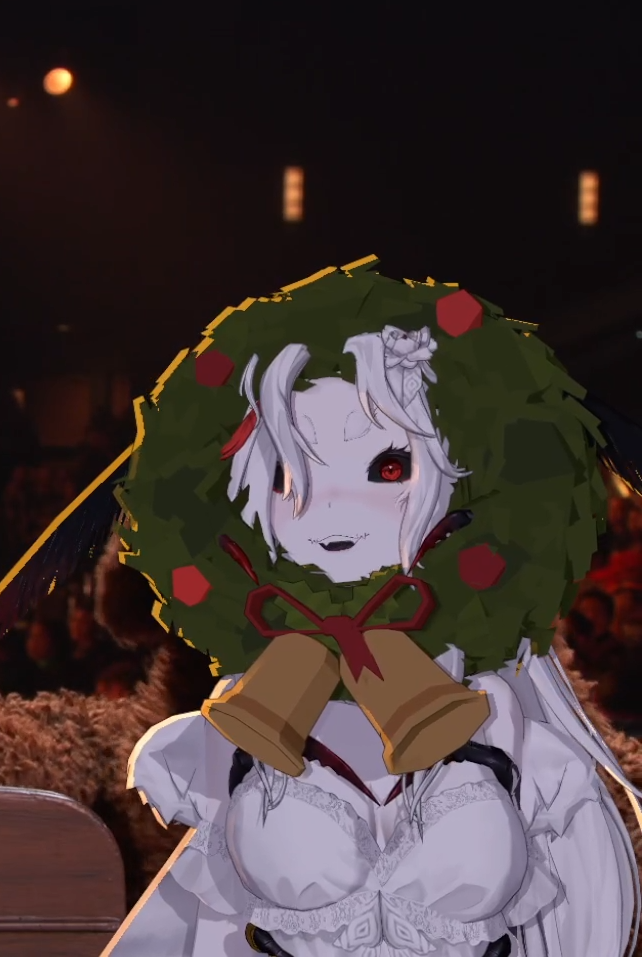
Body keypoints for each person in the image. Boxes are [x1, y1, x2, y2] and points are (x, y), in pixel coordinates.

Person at [99, 262, 642, 956]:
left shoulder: (499, 708)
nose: (331, 511)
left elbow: (585, 904)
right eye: (290, 473)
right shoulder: (244, 713)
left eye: (389, 468)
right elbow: (192, 914)